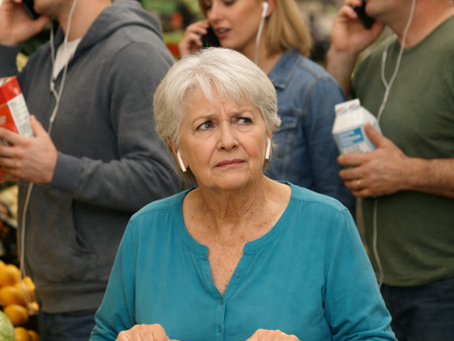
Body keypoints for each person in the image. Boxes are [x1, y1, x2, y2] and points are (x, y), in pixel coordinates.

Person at [90, 48, 396, 341]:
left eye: (243, 120)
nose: (227, 140)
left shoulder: (327, 224)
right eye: (205, 125)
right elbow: (104, 335)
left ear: (268, 132)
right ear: (175, 147)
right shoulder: (146, 230)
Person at [0, 0, 182, 339]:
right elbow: (8, 139)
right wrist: (5, 46)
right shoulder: (45, 59)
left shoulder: (134, 53)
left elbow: (168, 178)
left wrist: (57, 169)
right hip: (49, 296)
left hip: (110, 305)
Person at [326, 0, 454, 340]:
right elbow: (333, 126)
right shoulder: (374, 58)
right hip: (376, 286)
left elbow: (398, 169)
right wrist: (342, 54)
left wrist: (408, 173)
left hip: (443, 287)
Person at [178, 0, 355, 214]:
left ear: (267, 5)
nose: (214, 15)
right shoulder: (205, 85)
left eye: (227, 2)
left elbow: (335, 199)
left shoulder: (315, 88)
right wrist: (191, 71)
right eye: (208, 6)